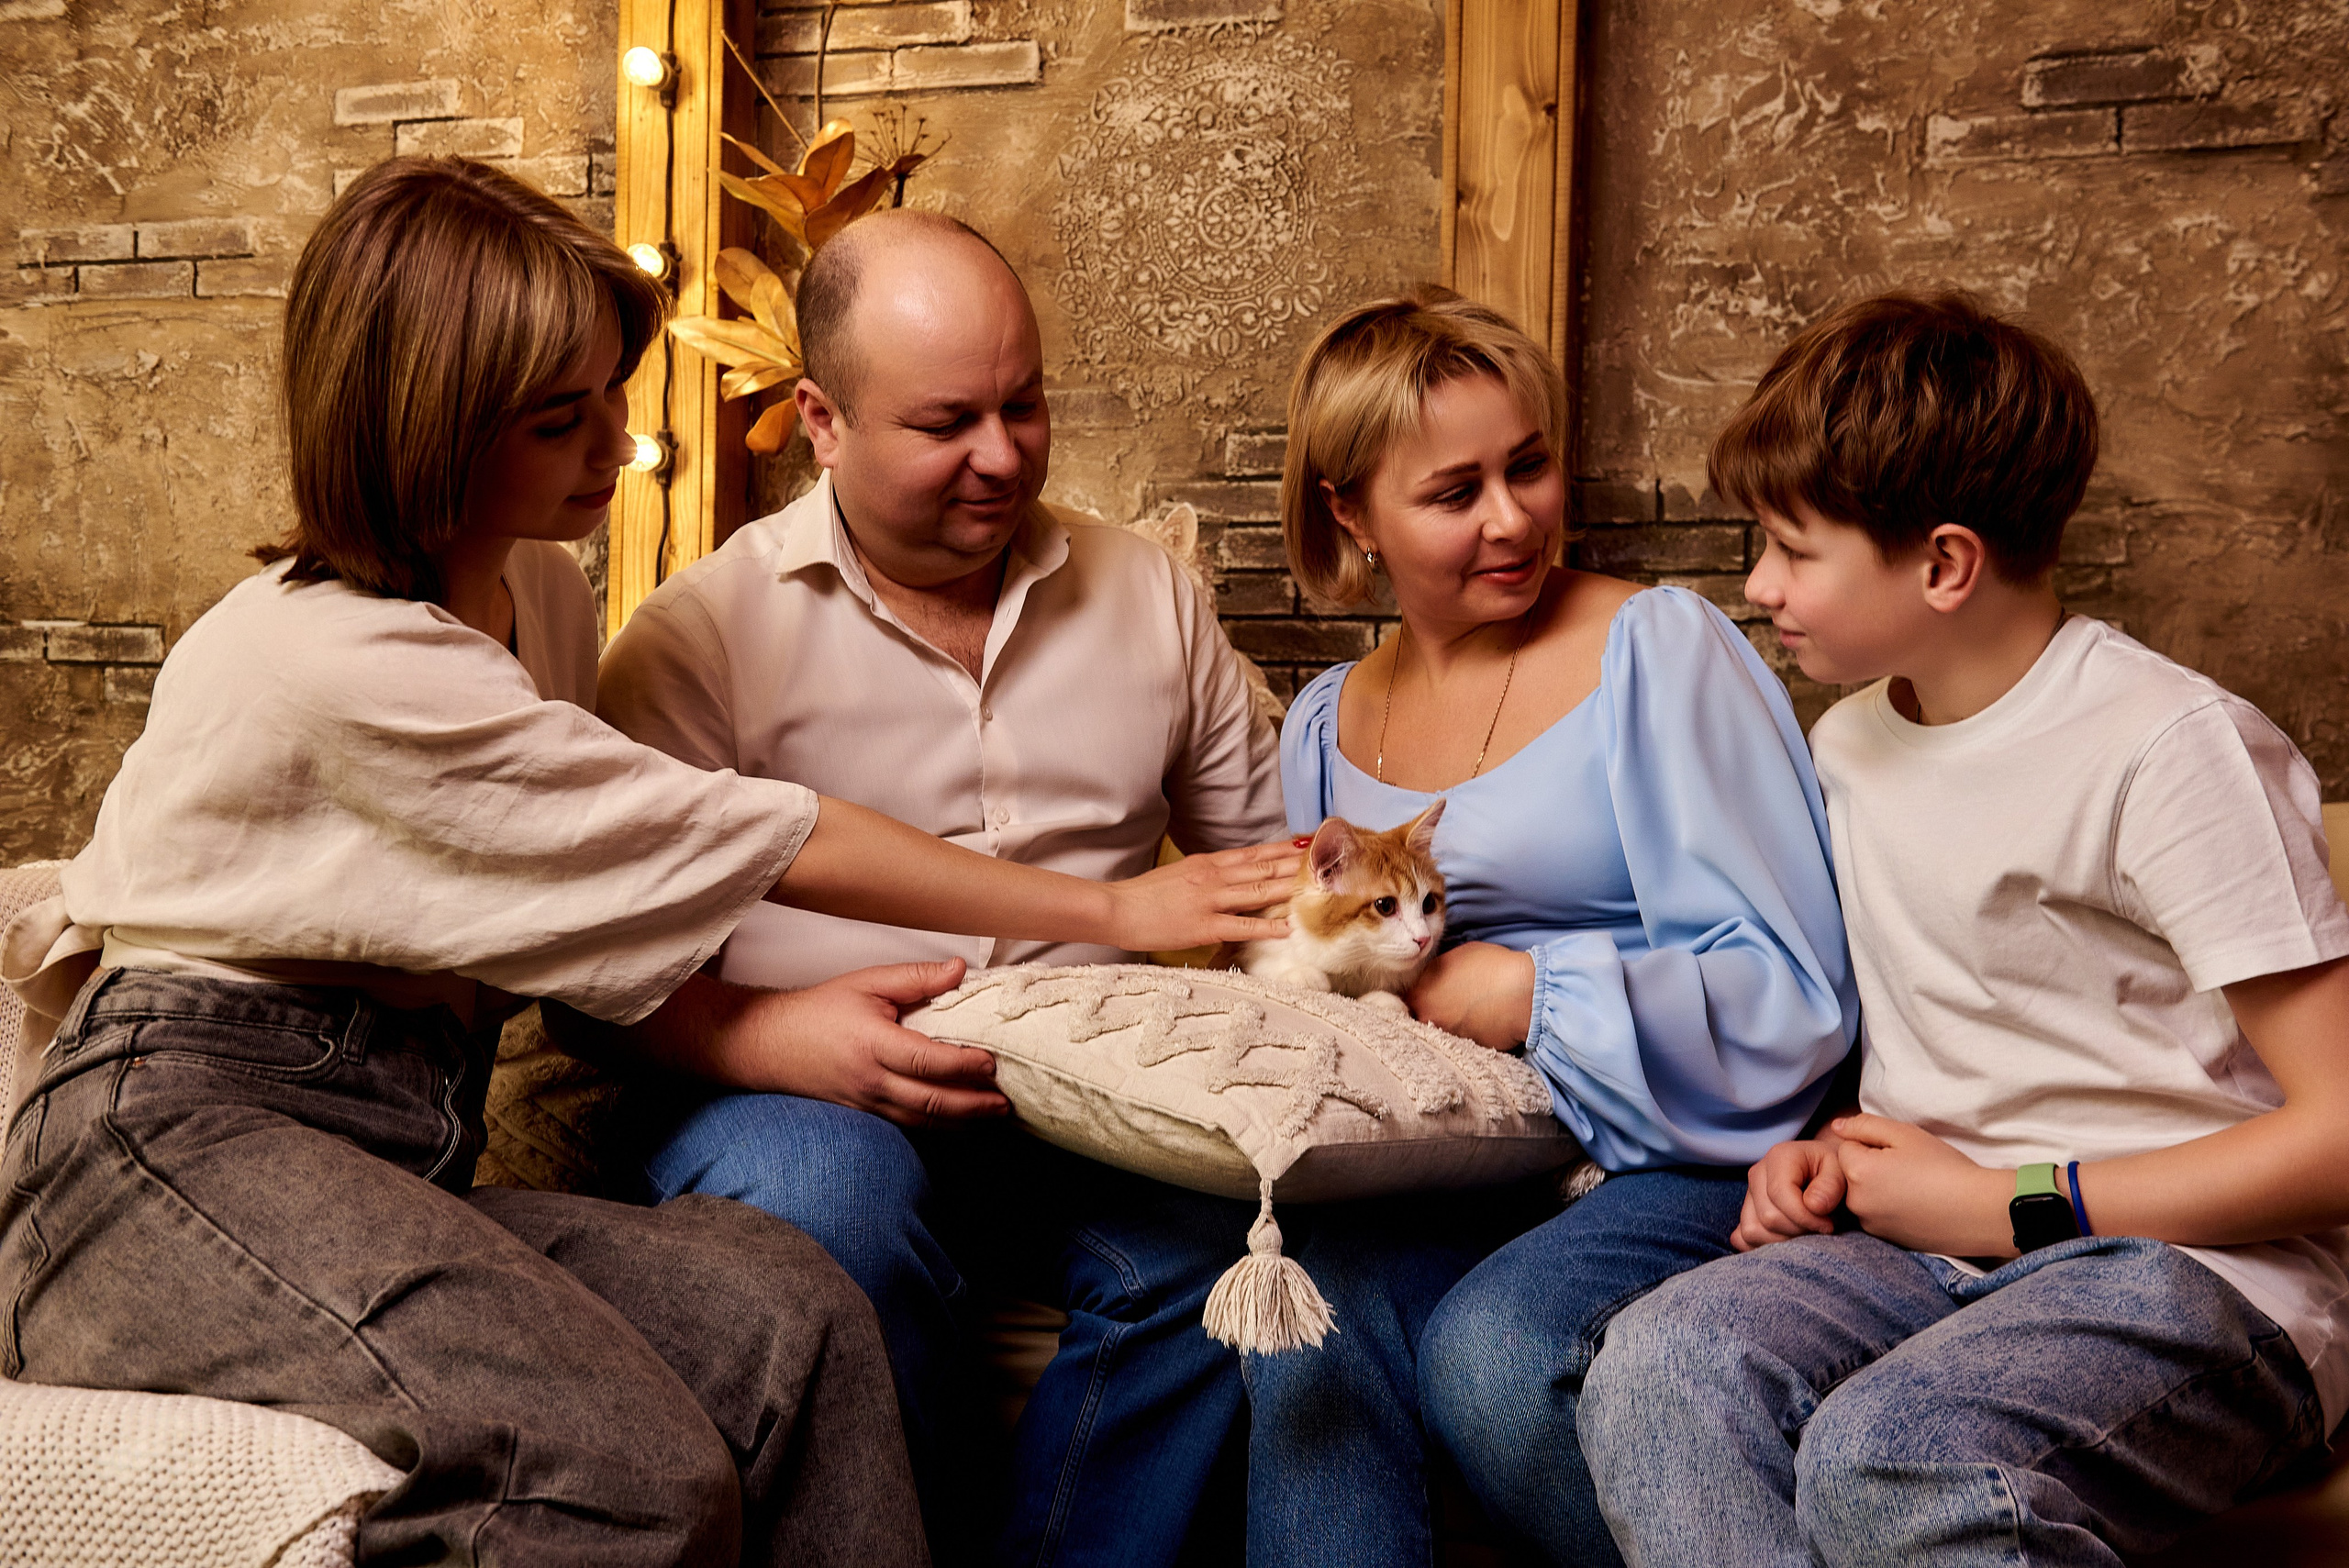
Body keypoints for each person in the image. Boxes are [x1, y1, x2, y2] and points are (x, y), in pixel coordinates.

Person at [0, 159, 1290, 1568]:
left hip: (378, 1141)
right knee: (620, 1466)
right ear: (432, 434)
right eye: (565, 421)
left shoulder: (537, 588)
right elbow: (747, 836)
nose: (620, 445)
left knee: (791, 1323)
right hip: (169, 1151)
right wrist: (1110, 905)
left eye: (610, 395)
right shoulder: (331, 659)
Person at [1578, 292, 2349, 1566]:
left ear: (1943, 563)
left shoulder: (2170, 750)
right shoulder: (1848, 743)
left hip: (2202, 1278)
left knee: (1892, 1452)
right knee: (1658, 1363)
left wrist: (2000, 1200)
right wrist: (1820, 1153)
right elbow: (1959, 1022)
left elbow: (2337, 1136)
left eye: (1791, 547)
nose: (1757, 584)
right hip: (1934, 1248)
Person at [580, 207, 1286, 1566]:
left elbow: (1268, 891)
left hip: (1092, 1102)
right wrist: (773, 1038)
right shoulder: (695, 641)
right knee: (828, 1208)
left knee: (1228, 1239)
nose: (1004, 455)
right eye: (948, 421)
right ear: (822, 422)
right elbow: (588, 990)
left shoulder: (1150, 595)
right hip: (786, 1101)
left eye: (1025, 406)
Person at [1241, 288, 1856, 1567]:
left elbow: (1798, 994)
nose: (1513, 514)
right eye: (1455, 491)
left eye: (1529, 464)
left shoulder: (1658, 649)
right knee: (1305, 1335)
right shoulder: (1321, 727)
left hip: (1683, 1157)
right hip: (1447, 1155)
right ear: (1351, 513)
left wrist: (1536, 992)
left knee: (1500, 1349)